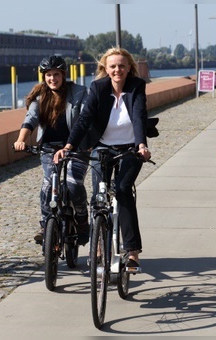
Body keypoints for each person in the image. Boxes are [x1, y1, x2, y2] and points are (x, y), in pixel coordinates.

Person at [54, 47, 151, 270]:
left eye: (122, 66)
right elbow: (85, 118)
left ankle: (132, 250)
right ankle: (98, 244)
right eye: (113, 66)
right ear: (105, 69)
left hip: (130, 148)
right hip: (102, 147)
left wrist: (142, 145)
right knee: (99, 194)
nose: (118, 70)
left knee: (123, 189)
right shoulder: (98, 88)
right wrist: (69, 146)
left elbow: (139, 116)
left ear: (128, 68)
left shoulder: (136, 86)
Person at [13, 56, 91, 246]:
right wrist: (21, 140)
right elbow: (30, 119)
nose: (52, 79)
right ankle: (46, 223)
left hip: (76, 148)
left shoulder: (80, 93)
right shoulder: (40, 97)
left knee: (73, 184)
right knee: (48, 186)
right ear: (44, 77)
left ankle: (81, 218)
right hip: (49, 149)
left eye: (56, 74)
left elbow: (85, 120)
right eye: (48, 75)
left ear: (63, 75)